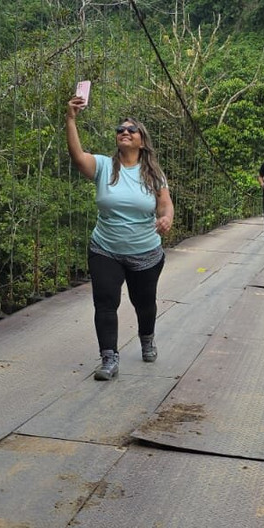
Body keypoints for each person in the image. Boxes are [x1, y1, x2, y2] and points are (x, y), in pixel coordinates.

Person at [66, 95, 174, 381]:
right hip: (105, 248)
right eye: (120, 129)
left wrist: (166, 218)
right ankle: (109, 358)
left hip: (146, 252)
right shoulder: (103, 167)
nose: (124, 132)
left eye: (131, 129)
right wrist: (70, 119)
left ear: (142, 140)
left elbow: (165, 204)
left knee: (144, 302)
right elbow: (78, 157)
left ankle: (147, 338)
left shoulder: (153, 173)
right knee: (105, 301)